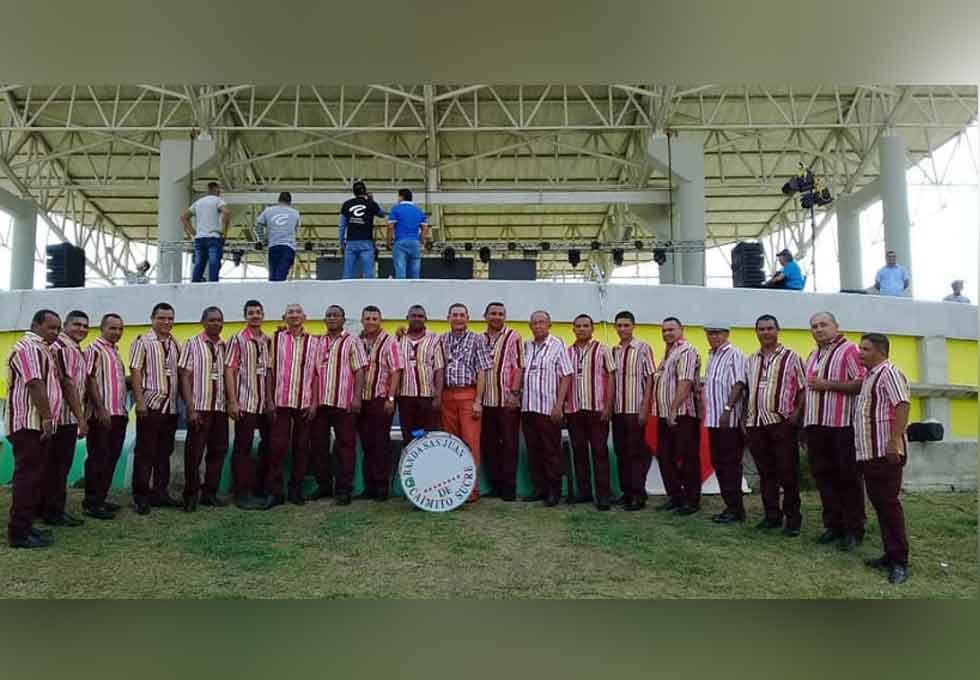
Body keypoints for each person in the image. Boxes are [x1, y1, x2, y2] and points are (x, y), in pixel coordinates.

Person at [803, 312, 867, 551]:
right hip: (816, 426)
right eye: (814, 326)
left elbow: (861, 382)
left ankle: (854, 529)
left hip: (841, 426)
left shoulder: (849, 350)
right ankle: (833, 526)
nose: (818, 329)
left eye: (823, 325)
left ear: (836, 326)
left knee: (848, 479)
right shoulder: (813, 355)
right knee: (824, 477)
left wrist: (827, 385)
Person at [5, 310, 66, 548]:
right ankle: (18, 533)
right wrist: (48, 418)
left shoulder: (43, 349)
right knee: (27, 478)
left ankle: (27, 526)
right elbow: (35, 384)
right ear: (36, 325)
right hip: (29, 423)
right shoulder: (29, 347)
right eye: (51, 328)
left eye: (58, 328)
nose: (55, 333)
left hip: (37, 423)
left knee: (35, 477)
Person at [855, 333, 912, 585]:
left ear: (880, 351)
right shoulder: (869, 377)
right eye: (860, 348)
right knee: (879, 503)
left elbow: (902, 405)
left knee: (889, 505)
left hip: (885, 451)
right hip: (869, 452)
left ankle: (899, 561)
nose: (860, 353)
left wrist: (893, 440)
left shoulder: (889, 372)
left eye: (865, 349)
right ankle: (889, 555)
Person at [744, 314, 806, 536]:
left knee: (788, 473)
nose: (766, 332)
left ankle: (793, 519)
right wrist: (746, 420)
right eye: (761, 329)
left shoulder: (792, 357)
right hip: (756, 423)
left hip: (781, 423)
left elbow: (803, 390)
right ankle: (772, 516)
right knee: (766, 473)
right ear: (756, 332)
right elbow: (748, 391)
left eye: (770, 328)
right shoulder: (751, 360)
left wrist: (794, 420)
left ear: (778, 330)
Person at [310, 305, 367, 506]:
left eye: (336, 315)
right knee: (318, 445)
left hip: (345, 403)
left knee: (345, 446)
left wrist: (357, 398)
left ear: (343, 320)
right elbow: (314, 373)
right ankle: (323, 485)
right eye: (329, 316)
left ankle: (344, 489)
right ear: (324, 320)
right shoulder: (317, 342)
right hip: (321, 403)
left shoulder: (353, 341)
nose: (332, 318)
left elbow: (360, 370)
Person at [130, 302, 182, 515]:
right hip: (150, 404)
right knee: (145, 451)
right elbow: (135, 371)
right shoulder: (142, 341)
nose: (166, 322)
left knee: (164, 451)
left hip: (170, 407)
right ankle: (141, 496)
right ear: (152, 319)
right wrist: (139, 401)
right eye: (162, 318)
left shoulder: (175, 343)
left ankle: (160, 493)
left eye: (170, 318)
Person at [265, 304, 318, 509]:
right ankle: (274, 492)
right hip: (280, 402)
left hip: (304, 403)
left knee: (302, 447)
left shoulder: (314, 341)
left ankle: (296, 490)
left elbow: (316, 375)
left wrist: (314, 402)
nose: (294, 315)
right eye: (290, 312)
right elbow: (269, 371)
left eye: (298, 312)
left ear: (305, 317)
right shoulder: (275, 339)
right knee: (277, 447)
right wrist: (269, 400)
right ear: (284, 317)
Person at [439, 303, 492, 504]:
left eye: (462, 315)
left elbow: (482, 371)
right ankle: (453, 486)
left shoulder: (477, 340)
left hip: (468, 395)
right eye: (455, 315)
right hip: (446, 396)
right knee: (451, 444)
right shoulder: (442, 340)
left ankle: (471, 489)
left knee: (471, 444)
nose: (458, 318)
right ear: (448, 317)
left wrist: (478, 400)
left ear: (467, 318)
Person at [178, 306, 229, 512]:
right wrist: (190, 408)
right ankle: (191, 495)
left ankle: (210, 493)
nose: (216, 323)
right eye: (212, 320)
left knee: (218, 451)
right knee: (194, 453)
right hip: (200, 407)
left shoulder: (225, 346)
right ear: (203, 322)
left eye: (219, 320)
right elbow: (184, 376)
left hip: (220, 408)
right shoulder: (192, 344)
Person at [41, 311, 90, 528]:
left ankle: (47, 508)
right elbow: (68, 384)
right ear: (65, 326)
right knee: (58, 468)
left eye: (85, 325)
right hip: (63, 417)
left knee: (56, 467)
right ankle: (53, 512)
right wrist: (81, 418)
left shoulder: (74, 349)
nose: (81, 329)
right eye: (76, 324)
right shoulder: (62, 348)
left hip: (68, 416)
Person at [224, 300, 274, 510]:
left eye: (258, 312)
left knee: (268, 445)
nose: (255, 316)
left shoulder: (267, 340)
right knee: (242, 448)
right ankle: (241, 491)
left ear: (263, 315)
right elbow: (230, 370)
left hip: (264, 403)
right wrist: (233, 401)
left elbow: (269, 371)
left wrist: (271, 400)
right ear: (245, 316)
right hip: (245, 401)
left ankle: (261, 487)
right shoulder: (237, 339)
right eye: (251, 313)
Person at [520, 311, 573, 507]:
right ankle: (539, 488)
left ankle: (554, 491)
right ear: (530, 326)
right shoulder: (527, 346)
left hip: (548, 408)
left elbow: (566, 375)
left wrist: (559, 405)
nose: (538, 326)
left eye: (542, 322)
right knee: (533, 450)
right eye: (534, 323)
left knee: (551, 451)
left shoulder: (557, 345)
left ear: (549, 325)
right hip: (528, 407)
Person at [564, 314, 615, 511]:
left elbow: (611, 378)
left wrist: (608, 406)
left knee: (600, 452)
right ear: (573, 329)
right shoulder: (567, 352)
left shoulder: (603, 350)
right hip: (575, 410)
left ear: (592, 329)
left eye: (586, 326)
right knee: (579, 452)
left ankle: (603, 495)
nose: (582, 329)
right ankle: (584, 492)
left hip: (597, 410)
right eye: (578, 326)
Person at [652, 317, 702, 516]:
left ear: (682, 329)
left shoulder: (687, 351)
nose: (667, 334)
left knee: (688, 457)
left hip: (683, 414)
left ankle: (691, 500)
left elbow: (685, 382)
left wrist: (673, 409)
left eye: (671, 330)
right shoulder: (668, 353)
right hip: (665, 414)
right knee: (666, 457)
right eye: (664, 330)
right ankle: (675, 496)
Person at [700, 322, 747, 524]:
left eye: (717, 333)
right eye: (710, 333)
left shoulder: (734, 354)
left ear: (727, 334)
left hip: (729, 420)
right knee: (719, 463)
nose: (714, 337)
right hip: (713, 420)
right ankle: (730, 506)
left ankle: (736, 510)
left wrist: (728, 409)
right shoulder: (712, 356)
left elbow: (739, 382)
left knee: (730, 464)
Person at [83, 313, 129, 520]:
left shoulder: (115, 352)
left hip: (118, 413)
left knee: (111, 458)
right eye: (112, 328)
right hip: (102, 414)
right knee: (98, 458)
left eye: (120, 329)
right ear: (102, 328)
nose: (117, 332)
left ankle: (100, 498)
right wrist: (100, 409)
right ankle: (92, 502)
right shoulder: (94, 349)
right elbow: (89, 379)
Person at [357, 306, 403, 501]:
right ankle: (369, 487)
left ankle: (382, 487)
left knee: (380, 443)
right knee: (366, 444)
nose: (371, 322)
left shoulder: (389, 341)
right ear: (362, 320)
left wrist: (391, 398)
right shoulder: (357, 341)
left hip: (381, 399)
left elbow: (396, 371)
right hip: (362, 400)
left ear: (380, 320)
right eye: (367, 318)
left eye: (374, 318)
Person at [610, 311, 655, 511]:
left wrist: (645, 407)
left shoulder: (643, 348)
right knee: (621, 452)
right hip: (618, 410)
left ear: (633, 326)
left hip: (635, 409)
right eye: (619, 325)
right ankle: (626, 492)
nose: (622, 329)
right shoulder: (614, 350)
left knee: (636, 452)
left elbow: (650, 378)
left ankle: (638, 494)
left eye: (626, 325)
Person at [480, 302, 524, 502]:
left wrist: (514, 393)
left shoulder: (513, 336)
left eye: (500, 314)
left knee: (509, 445)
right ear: (485, 316)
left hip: (507, 401)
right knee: (489, 445)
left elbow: (519, 367)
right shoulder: (480, 339)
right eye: (493, 313)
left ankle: (509, 488)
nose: (496, 317)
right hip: (486, 401)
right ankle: (495, 485)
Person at [395, 305, 445, 446]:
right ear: (407, 318)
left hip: (427, 397)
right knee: (408, 435)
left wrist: (438, 396)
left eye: (420, 316)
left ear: (425, 319)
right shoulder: (398, 339)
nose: (417, 319)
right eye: (414, 316)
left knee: (427, 436)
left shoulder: (434, 339)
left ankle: (427, 467)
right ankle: (409, 466)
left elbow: (439, 369)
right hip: (405, 396)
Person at [182, 181, 229, 283]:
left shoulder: (198, 202)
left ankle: (194, 285)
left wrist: (194, 233)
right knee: (214, 262)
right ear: (215, 189)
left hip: (199, 238)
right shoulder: (218, 200)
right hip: (213, 237)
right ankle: (213, 285)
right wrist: (224, 232)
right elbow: (226, 212)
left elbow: (184, 218)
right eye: (219, 189)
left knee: (199, 264)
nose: (220, 192)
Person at [340, 181, 385, 279]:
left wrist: (341, 243)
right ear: (365, 191)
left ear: (353, 192)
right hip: (366, 243)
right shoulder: (370, 204)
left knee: (348, 273)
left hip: (351, 243)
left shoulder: (346, 204)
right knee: (368, 273)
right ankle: (369, 293)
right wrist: (372, 200)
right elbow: (382, 214)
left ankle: (346, 292)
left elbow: (342, 226)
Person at [256, 192, 301, 282]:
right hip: (288, 247)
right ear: (290, 202)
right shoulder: (295, 213)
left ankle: (272, 294)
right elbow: (295, 230)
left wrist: (262, 240)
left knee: (273, 276)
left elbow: (258, 226)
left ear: (278, 200)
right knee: (281, 276)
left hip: (273, 247)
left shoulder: (268, 211)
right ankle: (279, 294)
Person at [386, 189, 429, 279]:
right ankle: (415, 290)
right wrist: (421, 241)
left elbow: (390, 227)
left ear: (401, 197)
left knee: (400, 270)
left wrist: (389, 242)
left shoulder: (396, 209)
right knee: (415, 272)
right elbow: (425, 228)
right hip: (415, 243)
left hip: (400, 243)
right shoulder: (418, 210)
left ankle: (401, 291)